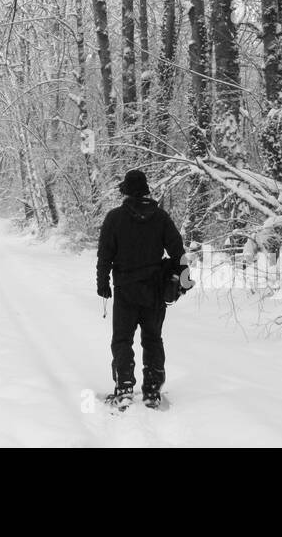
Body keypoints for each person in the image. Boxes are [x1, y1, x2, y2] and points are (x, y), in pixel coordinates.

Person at [95, 168, 185, 408]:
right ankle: (152, 391)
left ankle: (124, 388)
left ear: (127, 192)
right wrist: (180, 280)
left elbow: (105, 255)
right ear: (145, 190)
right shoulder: (161, 218)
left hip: (125, 290)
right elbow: (178, 252)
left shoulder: (114, 218)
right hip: (154, 291)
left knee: (122, 340)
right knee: (153, 339)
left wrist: (102, 282)